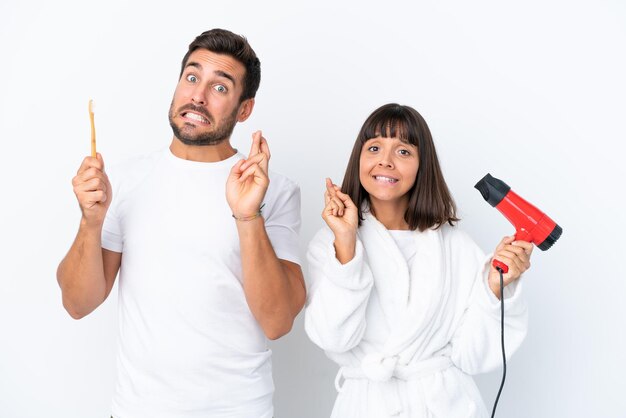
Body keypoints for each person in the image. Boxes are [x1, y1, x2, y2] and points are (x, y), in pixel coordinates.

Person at [57, 28, 306, 418]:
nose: (198, 96)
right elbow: (77, 303)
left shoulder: (275, 192)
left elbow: (277, 322)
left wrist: (247, 215)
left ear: (245, 109)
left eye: (220, 87)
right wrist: (91, 222)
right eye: (192, 78)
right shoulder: (122, 182)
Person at [304, 103, 533, 418]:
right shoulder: (329, 243)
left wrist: (494, 289)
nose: (385, 160)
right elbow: (333, 338)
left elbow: (474, 357)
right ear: (359, 159)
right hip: (368, 405)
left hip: (444, 405)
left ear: (422, 165)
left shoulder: (457, 246)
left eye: (403, 152)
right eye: (374, 148)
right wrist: (346, 245)